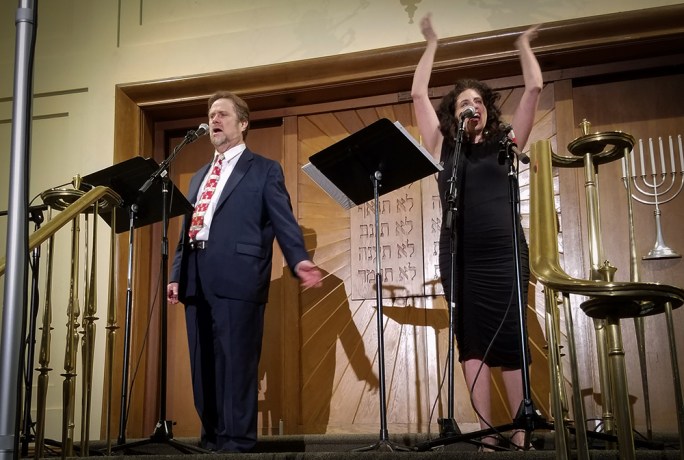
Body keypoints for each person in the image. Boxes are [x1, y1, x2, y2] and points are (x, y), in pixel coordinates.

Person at [411, 14, 542, 450]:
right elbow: (417, 92)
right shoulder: (442, 145)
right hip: (460, 256)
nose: (473, 104)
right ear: (454, 112)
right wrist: (432, 42)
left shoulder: (507, 140)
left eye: (479, 100)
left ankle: (522, 431)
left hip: (505, 255)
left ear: (487, 107)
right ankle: (488, 435)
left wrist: (523, 44)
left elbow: (535, 89)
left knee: (511, 336)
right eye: (464, 101)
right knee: (472, 341)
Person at [167, 91, 323, 453]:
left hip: (240, 276)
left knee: (236, 364)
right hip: (196, 275)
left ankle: (236, 444)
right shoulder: (199, 176)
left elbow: (284, 220)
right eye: (211, 115)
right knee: (202, 364)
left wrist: (298, 258)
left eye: (222, 114)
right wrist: (177, 273)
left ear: (243, 123)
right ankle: (213, 438)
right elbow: (189, 228)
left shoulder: (264, 169)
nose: (215, 120)